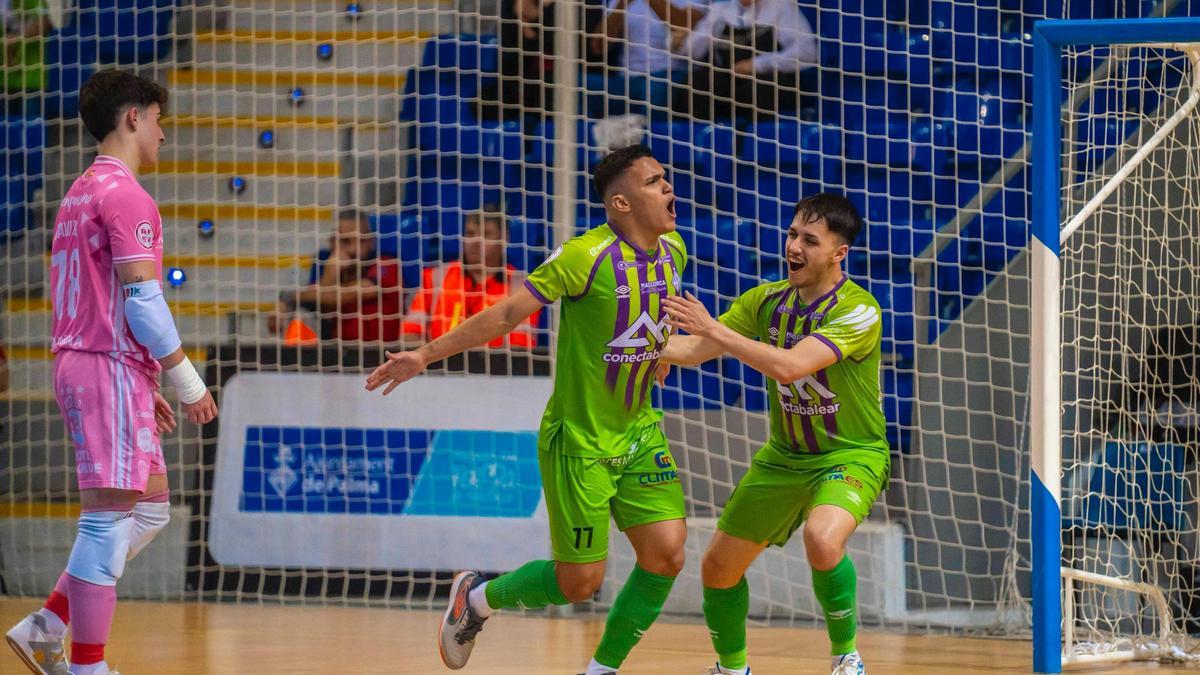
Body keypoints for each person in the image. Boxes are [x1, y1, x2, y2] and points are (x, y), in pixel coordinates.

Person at [366, 145, 687, 674]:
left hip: (639, 431)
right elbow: (508, 313)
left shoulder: (674, 247)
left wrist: (659, 353)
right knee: (579, 581)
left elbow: (658, 309)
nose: (668, 189)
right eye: (655, 182)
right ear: (622, 203)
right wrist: (422, 354)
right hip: (580, 440)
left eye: (665, 178)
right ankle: (476, 599)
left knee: (667, 554)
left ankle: (600, 669)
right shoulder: (585, 256)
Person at [5, 69, 219, 675]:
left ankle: (48, 621)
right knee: (105, 520)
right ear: (132, 117)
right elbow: (142, 300)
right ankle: (87, 667)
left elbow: (99, 294)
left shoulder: (78, 191)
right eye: (158, 119)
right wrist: (185, 379)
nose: (163, 134)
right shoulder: (126, 195)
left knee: (149, 508)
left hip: (105, 365)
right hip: (104, 366)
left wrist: (142, 379)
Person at [659, 194, 885, 675]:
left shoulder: (860, 311)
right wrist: (635, 345)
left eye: (809, 240)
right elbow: (693, 349)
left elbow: (788, 367)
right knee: (717, 569)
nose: (794, 247)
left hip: (850, 453)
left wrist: (713, 331)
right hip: (784, 456)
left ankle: (846, 656)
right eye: (791, 234)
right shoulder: (764, 301)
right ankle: (732, 668)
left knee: (822, 540)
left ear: (838, 253)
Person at [401, 209, 541, 348]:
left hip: (497, 367)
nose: (475, 241)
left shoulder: (521, 287)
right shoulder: (434, 277)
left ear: (504, 238)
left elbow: (520, 349)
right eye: (470, 233)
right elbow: (410, 335)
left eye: (486, 235)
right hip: (439, 366)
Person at [268, 209, 404, 344]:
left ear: (370, 241)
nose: (353, 249)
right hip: (333, 353)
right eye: (345, 241)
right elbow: (320, 304)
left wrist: (288, 297)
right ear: (333, 242)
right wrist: (331, 273)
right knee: (300, 315)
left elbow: (341, 296)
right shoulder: (324, 261)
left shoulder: (387, 263)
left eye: (360, 241)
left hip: (379, 353)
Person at [669, 0, 817, 120]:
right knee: (697, 83)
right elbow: (695, 50)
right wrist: (678, 43)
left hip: (771, 82)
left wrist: (756, 65)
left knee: (760, 87)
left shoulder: (782, 6)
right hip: (732, 83)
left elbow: (807, 52)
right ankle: (704, 145)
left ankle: (762, 147)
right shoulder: (720, 9)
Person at [1, 0, 51, 115]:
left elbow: (44, 22)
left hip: (30, 78)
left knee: (32, 127)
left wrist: (14, 39)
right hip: (3, 79)